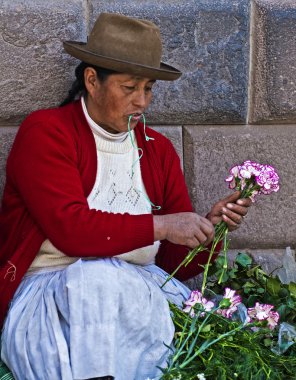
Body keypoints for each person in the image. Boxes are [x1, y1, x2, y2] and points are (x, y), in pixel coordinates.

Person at [0, 12, 251, 380]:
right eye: (129, 87)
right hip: (54, 296)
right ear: (91, 80)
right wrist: (164, 225)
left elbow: (171, 267)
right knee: (96, 279)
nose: (142, 102)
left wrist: (207, 233)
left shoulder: (158, 150)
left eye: (148, 88)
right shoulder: (46, 133)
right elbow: (72, 231)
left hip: (139, 295)